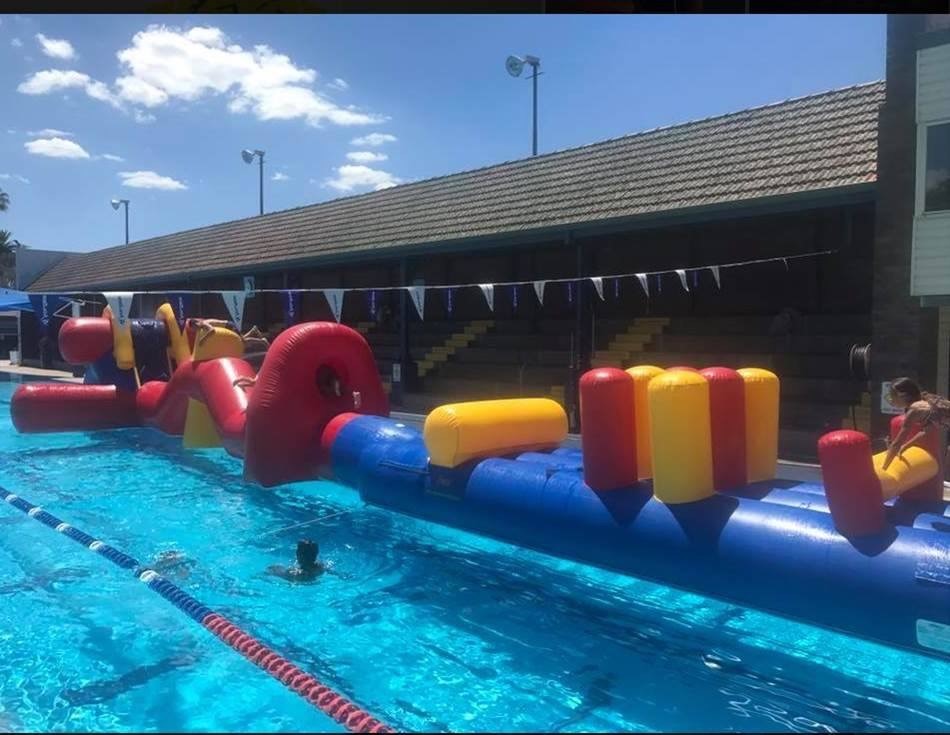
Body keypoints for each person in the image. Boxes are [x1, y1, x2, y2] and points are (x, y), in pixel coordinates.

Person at [881, 377, 950, 471]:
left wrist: (883, 469)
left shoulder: (914, 410)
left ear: (902, 395)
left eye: (892, 396)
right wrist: (904, 447)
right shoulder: (925, 399)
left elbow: (897, 443)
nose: (891, 400)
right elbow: (925, 432)